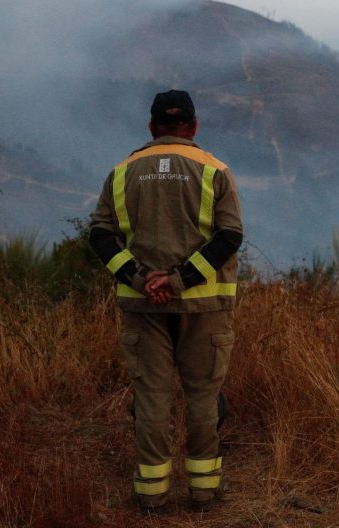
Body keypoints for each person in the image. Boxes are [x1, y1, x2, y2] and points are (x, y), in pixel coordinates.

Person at [88, 89, 244, 512]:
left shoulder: (122, 173)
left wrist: (141, 280)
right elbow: (230, 237)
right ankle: (204, 491)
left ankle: (151, 494)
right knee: (203, 396)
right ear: (193, 126)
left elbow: (101, 235)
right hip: (204, 306)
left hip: (143, 307)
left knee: (152, 398)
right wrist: (178, 281)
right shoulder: (216, 171)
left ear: (152, 127)